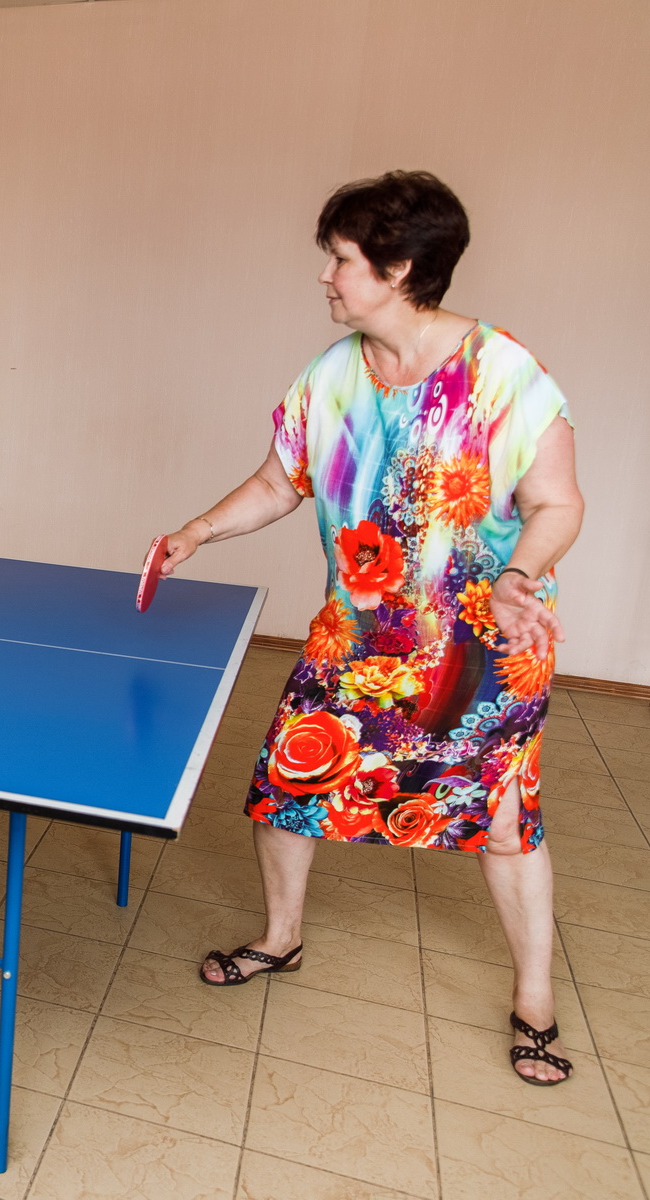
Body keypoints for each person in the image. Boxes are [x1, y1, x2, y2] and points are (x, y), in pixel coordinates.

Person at [159, 171, 583, 1086]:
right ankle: (281, 938)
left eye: (341, 259)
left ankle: (535, 1002)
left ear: (398, 270)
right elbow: (278, 482)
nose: (325, 275)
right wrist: (197, 530)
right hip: (357, 641)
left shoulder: (506, 375)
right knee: (286, 788)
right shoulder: (333, 374)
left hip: (485, 649)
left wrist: (518, 575)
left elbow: (557, 503)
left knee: (504, 824)